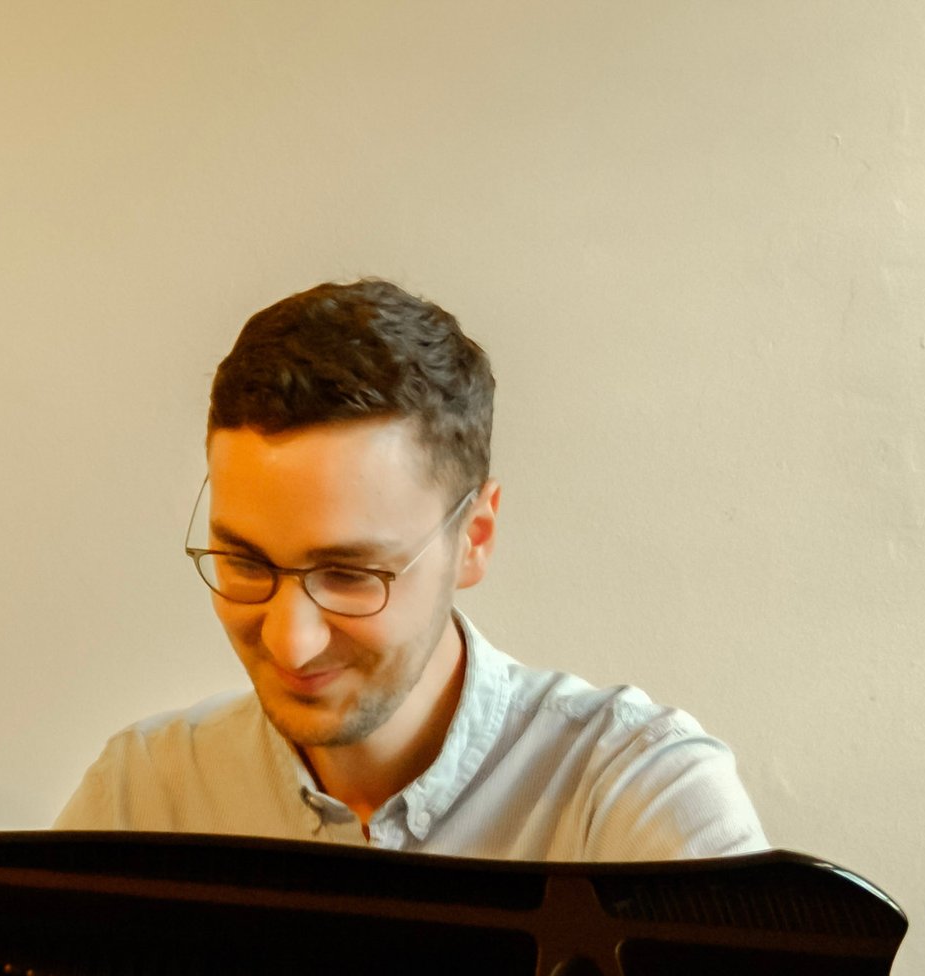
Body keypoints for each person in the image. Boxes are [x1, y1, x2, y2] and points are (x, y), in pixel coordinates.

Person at [56, 278, 765, 860]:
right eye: (245, 561)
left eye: (349, 573)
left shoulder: (635, 795)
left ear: (475, 538)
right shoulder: (142, 794)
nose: (288, 642)